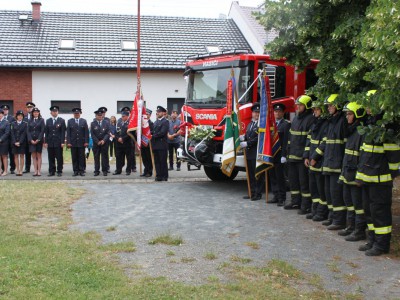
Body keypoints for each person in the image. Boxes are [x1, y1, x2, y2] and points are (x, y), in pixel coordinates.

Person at [356, 91, 400, 256]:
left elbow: (394, 155)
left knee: (380, 213)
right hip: (369, 179)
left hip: (381, 181)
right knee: (370, 211)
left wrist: (390, 175)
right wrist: (360, 176)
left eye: (369, 104)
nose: (366, 108)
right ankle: (373, 240)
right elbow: (366, 154)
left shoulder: (387, 127)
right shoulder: (371, 125)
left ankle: (382, 245)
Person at [311, 94, 347, 230]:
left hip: (337, 165)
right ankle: (332, 217)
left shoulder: (342, 122)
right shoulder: (332, 122)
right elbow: (326, 143)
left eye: (331, 105)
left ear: (337, 106)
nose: (329, 108)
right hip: (328, 163)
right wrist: (315, 156)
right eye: (328, 106)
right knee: (329, 193)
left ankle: (339, 221)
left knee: (336, 194)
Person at [338, 102, 367, 241]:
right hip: (347, 172)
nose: (347, 117)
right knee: (348, 201)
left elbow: (363, 158)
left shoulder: (362, 132)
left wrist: (360, 176)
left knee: (358, 204)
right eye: (346, 114)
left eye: (349, 114)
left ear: (357, 115)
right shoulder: (350, 131)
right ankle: (351, 227)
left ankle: (359, 230)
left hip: (355, 175)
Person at [285, 95, 314, 212]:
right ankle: (295, 201)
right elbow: (290, 137)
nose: (298, 107)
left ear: (307, 106)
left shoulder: (310, 119)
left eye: (300, 105)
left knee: (304, 183)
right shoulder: (296, 118)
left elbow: (309, 140)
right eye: (297, 105)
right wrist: (287, 151)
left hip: (302, 158)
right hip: (292, 156)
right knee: (293, 181)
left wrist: (306, 156)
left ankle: (305, 205)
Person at [304, 101, 329, 221]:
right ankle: (315, 211)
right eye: (314, 110)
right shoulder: (314, 123)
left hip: (320, 162)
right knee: (313, 189)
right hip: (312, 161)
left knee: (321, 190)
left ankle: (321, 213)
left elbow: (324, 144)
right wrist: (306, 156)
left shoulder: (326, 124)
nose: (315, 111)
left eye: (317, 109)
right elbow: (309, 141)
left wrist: (314, 157)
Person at [240, 102, 264, 201]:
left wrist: (247, 143)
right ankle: (251, 192)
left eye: (258, 112)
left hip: (256, 152)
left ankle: (258, 193)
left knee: (257, 174)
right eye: (255, 112)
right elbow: (249, 135)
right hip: (249, 153)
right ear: (252, 113)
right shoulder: (250, 124)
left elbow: (259, 138)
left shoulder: (261, 124)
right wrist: (243, 137)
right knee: (250, 175)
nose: (256, 114)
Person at [267, 103, 290, 206]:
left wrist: (284, 155)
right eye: (276, 111)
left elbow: (286, 141)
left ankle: (282, 197)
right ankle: (275, 195)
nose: (277, 113)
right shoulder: (271, 124)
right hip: (271, 154)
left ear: (283, 113)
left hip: (280, 155)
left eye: (279, 111)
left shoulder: (286, 124)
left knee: (280, 177)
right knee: (272, 176)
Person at [44, 106, 66, 177]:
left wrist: (63, 142)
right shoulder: (48, 121)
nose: (55, 112)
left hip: (58, 142)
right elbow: (46, 132)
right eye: (53, 111)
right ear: (51, 113)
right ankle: (51, 171)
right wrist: (46, 142)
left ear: (58, 112)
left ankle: (59, 170)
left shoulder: (61, 120)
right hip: (50, 142)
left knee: (59, 157)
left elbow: (63, 132)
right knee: (51, 157)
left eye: (56, 111)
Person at [67, 108, 89, 176]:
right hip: (73, 143)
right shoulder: (70, 121)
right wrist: (69, 142)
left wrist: (86, 141)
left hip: (81, 142)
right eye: (75, 114)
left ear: (80, 114)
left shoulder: (83, 121)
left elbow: (86, 132)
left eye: (78, 113)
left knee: (81, 157)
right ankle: (75, 171)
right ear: (73, 114)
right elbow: (68, 133)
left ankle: (81, 170)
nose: (76, 115)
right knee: (74, 157)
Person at [152, 106, 169, 181]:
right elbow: (153, 131)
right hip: (155, 145)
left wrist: (153, 136)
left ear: (163, 113)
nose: (157, 113)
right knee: (157, 161)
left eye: (159, 112)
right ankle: (158, 175)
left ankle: (164, 176)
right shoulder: (156, 122)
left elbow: (162, 132)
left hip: (162, 145)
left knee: (162, 161)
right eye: (157, 112)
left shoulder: (165, 121)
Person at [113, 110, 133, 175]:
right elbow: (116, 132)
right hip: (119, 143)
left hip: (127, 143)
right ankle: (118, 170)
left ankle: (128, 170)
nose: (122, 117)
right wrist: (118, 138)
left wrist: (123, 139)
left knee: (129, 158)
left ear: (127, 116)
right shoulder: (119, 122)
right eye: (122, 116)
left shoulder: (130, 123)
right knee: (118, 157)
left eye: (123, 116)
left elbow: (130, 133)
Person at [91, 110, 110, 176]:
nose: (99, 116)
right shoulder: (93, 123)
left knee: (104, 157)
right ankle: (96, 170)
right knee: (96, 157)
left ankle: (104, 170)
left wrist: (103, 140)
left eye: (100, 115)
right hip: (96, 144)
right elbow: (92, 134)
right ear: (96, 116)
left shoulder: (106, 123)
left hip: (104, 143)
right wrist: (97, 141)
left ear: (102, 116)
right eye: (98, 115)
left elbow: (108, 133)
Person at [27, 107, 45, 176]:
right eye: (34, 112)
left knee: (39, 156)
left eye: (37, 112)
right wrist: (30, 139)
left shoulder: (41, 120)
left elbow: (42, 130)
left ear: (39, 113)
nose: (36, 113)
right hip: (31, 141)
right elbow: (28, 131)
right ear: (32, 113)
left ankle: (39, 171)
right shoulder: (30, 120)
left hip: (39, 141)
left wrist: (38, 139)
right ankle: (35, 170)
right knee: (34, 156)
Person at [10, 110, 27, 176]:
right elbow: (12, 133)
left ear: (23, 117)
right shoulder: (13, 123)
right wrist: (15, 142)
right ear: (16, 116)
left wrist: (19, 142)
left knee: (22, 156)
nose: (20, 117)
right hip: (14, 142)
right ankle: (17, 170)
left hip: (22, 143)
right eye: (19, 115)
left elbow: (24, 133)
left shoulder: (25, 124)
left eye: (21, 116)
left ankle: (21, 170)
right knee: (16, 156)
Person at [0, 104, 16, 174]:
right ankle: (2, 169)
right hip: (3, 141)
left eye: (6, 110)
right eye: (3, 110)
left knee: (10, 155)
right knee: (2, 156)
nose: (5, 111)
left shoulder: (11, 118)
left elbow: (11, 130)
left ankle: (11, 168)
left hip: (8, 140)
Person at [141, 108, 154, 177]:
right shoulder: (142, 123)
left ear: (150, 115)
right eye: (145, 114)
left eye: (147, 114)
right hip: (143, 143)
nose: (146, 115)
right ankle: (145, 171)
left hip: (148, 144)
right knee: (144, 158)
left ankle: (149, 171)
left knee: (149, 158)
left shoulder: (151, 123)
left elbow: (152, 132)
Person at [23, 101, 35, 173]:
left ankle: (36, 169)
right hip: (26, 139)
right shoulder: (24, 117)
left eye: (31, 107)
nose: (29, 109)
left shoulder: (37, 116)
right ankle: (27, 168)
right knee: (27, 155)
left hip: (34, 139)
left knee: (35, 155)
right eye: (28, 107)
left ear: (33, 108)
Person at [0, 108, 10, 176]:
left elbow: (7, 133)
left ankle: (5, 170)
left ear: (3, 114)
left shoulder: (6, 122)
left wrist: (1, 139)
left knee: (4, 156)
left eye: (0, 114)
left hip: (4, 142)